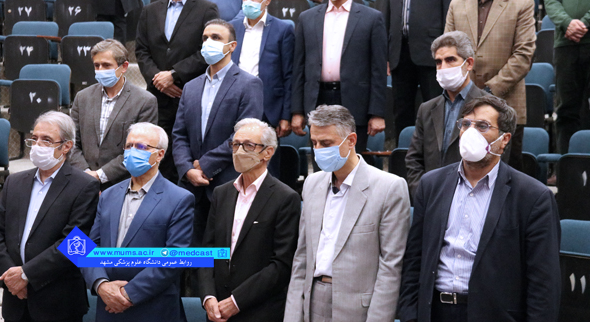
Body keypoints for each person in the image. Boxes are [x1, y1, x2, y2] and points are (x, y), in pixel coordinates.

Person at [398, 96, 561, 322]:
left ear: (504, 140)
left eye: (482, 126)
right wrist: (409, 315)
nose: (470, 132)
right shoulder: (431, 184)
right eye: (465, 124)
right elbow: (415, 259)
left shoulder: (533, 197)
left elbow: (543, 282)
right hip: (436, 311)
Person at [284, 105, 411, 322]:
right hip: (312, 300)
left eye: (326, 143)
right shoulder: (312, 184)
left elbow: (390, 266)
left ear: (351, 140)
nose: (318, 150)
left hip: (358, 309)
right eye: (314, 143)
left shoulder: (389, 187)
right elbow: (302, 258)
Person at [0, 111, 100, 322]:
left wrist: (26, 275)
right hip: (15, 300)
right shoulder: (14, 182)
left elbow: (77, 244)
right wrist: (10, 278)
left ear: (66, 146)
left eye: (47, 140)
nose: (38, 145)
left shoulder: (85, 186)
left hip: (57, 304)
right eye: (35, 138)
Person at [82, 122, 194, 322]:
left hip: (153, 309)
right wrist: (102, 285)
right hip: (107, 306)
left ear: (159, 155)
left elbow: (174, 258)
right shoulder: (108, 195)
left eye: (141, 147)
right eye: (128, 146)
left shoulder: (179, 199)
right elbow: (90, 246)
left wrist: (127, 294)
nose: (132, 151)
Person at [445, 0, 536, 171]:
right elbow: (448, 52)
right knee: (463, 172)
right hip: (464, 108)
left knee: (504, 175)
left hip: (506, 104)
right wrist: (466, 90)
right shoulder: (456, 5)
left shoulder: (522, 4)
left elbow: (524, 55)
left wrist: (489, 91)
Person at [172, 19, 263, 247]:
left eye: (216, 38)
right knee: (192, 254)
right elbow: (179, 135)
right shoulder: (191, 87)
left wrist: (205, 165)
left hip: (227, 182)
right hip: (191, 187)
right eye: (205, 38)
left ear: (232, 46)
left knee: (222, 254)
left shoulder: (249, 84)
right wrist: (187, 169)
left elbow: (245, 134)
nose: (208, 42)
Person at [199, 118, 301, 322]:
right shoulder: (221, 193)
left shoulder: (285, 198)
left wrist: (236, 301)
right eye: (235, 144)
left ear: (268, 152)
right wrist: (208, 296)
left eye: (248, 145)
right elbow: (208, 250)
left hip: (259, 311)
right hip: (216, 310)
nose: (239, 151)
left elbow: (281, 263)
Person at [136, 0, 219, 183]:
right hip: (157, 97)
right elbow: (141, 51)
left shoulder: (206, 9)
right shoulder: (150, 10)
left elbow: (207, 51)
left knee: (184, 156)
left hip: (188, 94)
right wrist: (159, 79)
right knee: (157, 155)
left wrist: (174, 75)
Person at [291, 0, 387, 154]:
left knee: (351, 159)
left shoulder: (371, 18)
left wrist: (377, 113)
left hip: (354, 101)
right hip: (318, 99)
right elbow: (299, 68)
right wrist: (297, 111)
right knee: (321, 158)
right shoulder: (307, 18)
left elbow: (378, 70)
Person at [384, 0, 460, 141]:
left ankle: (437, 155)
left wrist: (448, 53)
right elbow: (387, 18)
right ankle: (404, 154)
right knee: (402, 112)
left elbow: (451, 15)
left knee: (436, 109)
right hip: (400, 54)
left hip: (433, 54)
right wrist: (387, 55)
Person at [405, 31, 487, 197]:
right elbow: (414, 160)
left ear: (469, 63)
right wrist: (422, 193)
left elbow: (493, 159)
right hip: (431, 197)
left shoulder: (488, 106)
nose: (443, 67)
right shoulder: (426, 109)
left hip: (472, 196)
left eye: (450, 60)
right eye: (438, 62)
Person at [70, 39, 158, 191]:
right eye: (97, 65)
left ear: (124, 67)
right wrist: (86, 173)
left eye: (106, 65)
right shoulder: (82, 97)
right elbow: (71, 143)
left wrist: (100, 175)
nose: (100, 70)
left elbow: (140, 149)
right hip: (83, 183)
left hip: (123, 185)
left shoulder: (144, 101)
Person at [230, 0, 295, 177]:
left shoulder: (283, 29)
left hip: (268, 109)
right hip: (234, 104)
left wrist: (285, 115)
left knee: (267, 167)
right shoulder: (231, 28)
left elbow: (289, 75)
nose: (249, 0)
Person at [544, 0, 590, 154]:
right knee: (566, 109)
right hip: (566, 44)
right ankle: (566, 164)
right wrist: (566, 22)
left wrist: (585, 22)